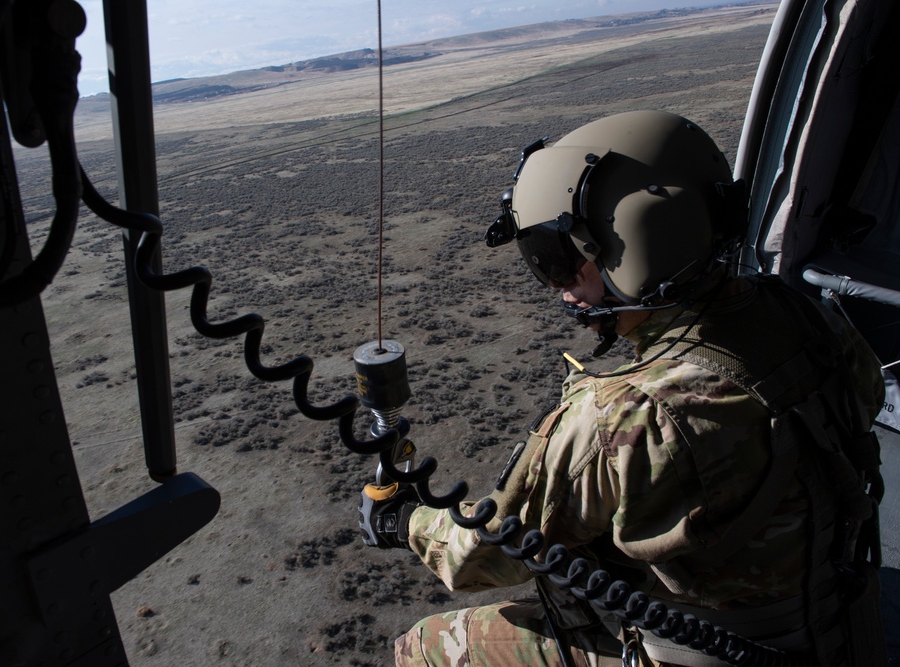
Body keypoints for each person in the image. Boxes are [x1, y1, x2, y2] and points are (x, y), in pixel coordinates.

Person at [358, 110, 887, 666]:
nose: (560, 290)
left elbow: (483, 556)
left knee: (424, 646)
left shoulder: (629, 413)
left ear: (636, 250)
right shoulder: (808, 315)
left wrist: (404, 521)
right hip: (840, 627)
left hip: (716, 653)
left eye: (559, 262)